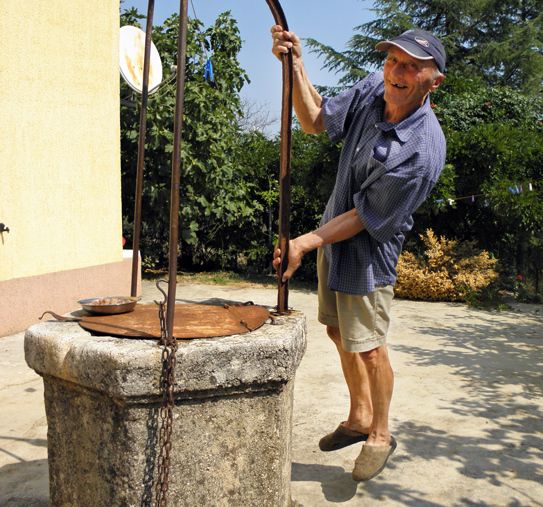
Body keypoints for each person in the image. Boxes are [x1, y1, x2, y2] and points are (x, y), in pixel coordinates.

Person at [271, 26, 447, 481]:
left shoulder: (421, 150)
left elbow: (367, 218)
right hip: (334, 235)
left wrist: (306, 242)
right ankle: (359, 415)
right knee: (336, 330)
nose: (398, 72)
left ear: (434, 81)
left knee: (369, 346)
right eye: (393, 60)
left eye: (412, 65)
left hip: (368, 253)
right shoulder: (374, 87)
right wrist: (295, 64)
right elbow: (313, 119)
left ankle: (381, 434)